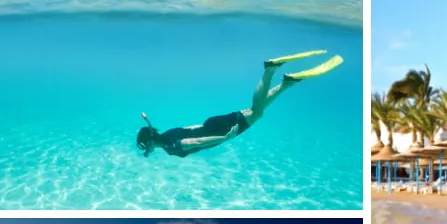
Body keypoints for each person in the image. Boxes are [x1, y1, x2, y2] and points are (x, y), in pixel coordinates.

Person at [136, 50, 343, 158]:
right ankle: (287, 83)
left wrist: (224, 138)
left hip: (218, 131)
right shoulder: (167, 134)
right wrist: (147, 122)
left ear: (149, 142)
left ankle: (270, 69)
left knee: (256, 113)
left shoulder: (170, 147)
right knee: (255, 111)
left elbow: (195, 142)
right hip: (210, 124)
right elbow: (190, 129)